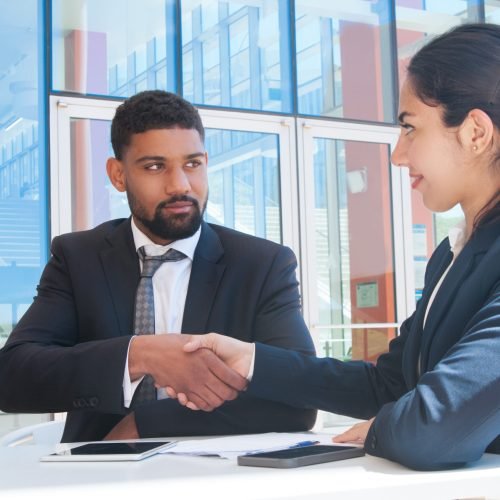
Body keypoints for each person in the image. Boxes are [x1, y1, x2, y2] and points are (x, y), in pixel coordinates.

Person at [173, 23, 500, 471]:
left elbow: (433, 428)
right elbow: (390, 385)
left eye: (410, 128)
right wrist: (251, 360)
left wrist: (384, 428)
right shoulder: (452, 255)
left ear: (475, 133)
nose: (397, 154)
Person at [0, 90, 316, 442]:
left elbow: (300, 397)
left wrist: (148, 423)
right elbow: (12, 377)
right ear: (118, 174)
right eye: (155, 166)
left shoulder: (262, 265)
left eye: (192, 164)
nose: (179, 184)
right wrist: (140, 355)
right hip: (97, 481)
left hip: (218, 480)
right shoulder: (78, 258)